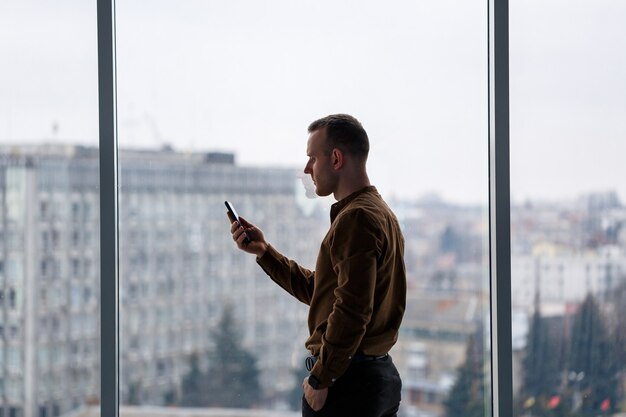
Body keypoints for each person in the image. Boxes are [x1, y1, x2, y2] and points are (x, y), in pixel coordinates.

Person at [228, 114, 406, 417]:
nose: (308, 169)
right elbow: (324, 292)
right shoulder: (379, 212)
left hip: (347, 384)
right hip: (373, 379)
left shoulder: (356, 219)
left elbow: (351, 310)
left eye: (312, 158)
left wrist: (321, 377)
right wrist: (264, 252)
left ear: (336, 158)